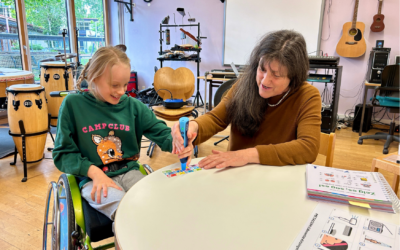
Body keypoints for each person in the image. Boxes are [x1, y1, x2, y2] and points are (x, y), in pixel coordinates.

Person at [52, 46, 173, 220]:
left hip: (129, 171)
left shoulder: (133, 106)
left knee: (155, 205)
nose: (122, 91)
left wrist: (179, 138)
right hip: (93, 178)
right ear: (93, 77)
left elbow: (162, 134)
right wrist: (94, 172)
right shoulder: (73, 104)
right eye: (115, 85)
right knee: (128, 214)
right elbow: (63, 154)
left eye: (125, 84)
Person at [172, 30, 321, 169]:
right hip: (238, 177)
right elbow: (216, 118)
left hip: (277, 180)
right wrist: (193, 127)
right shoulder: (244, 85)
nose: (264, 81)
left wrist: (247, 155)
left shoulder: (307, 96)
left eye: (276, 75)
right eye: (262, 69)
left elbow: (308, 148)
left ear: (293, 77)